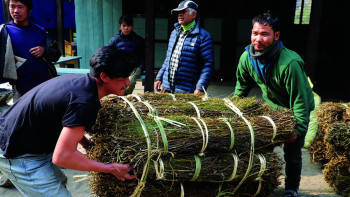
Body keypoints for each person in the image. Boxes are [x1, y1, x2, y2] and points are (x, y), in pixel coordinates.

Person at [0, 45, 136, 196]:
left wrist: (85, 143)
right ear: (104, 77)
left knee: (59, 182)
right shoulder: (84, 102)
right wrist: (109, 168)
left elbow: (67, 119)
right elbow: (62, 157)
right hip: (16, 149)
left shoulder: (82, 82)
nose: (127, 82)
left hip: (28, 138)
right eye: (123, 77)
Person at [233, 11, 314, 197]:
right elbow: (241, 89)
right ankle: (265, 184)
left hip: (295, 110)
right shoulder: (247, 58)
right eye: (255, 33)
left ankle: (291, 189)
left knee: (292, 154)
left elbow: (300, 100)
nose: (258, 39)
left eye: (264, 34)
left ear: (276, 35)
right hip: (272, 108)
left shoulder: (290, 63)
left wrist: (298, 128)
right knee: (263, 147)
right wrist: (234, 112)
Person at [0, 0, 61, 100]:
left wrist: (44, 51)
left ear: (29, 10)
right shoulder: (4, 32)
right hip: (21, 91)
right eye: (12, 7)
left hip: (46, 87)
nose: (15, 11)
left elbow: (57, 54)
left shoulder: (40, 31)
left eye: (20, 7)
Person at [155, 0, 214, 95]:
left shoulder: (203, 37)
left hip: (187, 92)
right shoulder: (174, 33)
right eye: (179, 12)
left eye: (183, 12)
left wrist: (200, 88)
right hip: (167, 89)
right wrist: (159, 77)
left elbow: (208, 65)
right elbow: (168, 59)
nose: (180, 14)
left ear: (193, 14)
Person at [109, 15, 145, 95]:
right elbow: (109, 55)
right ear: (120, 26)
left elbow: (143, 56)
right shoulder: (114, 40)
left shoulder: (138, 40)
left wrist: (140, 67)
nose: (126, 28)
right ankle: (120, 98)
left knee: (130, 83)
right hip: (119, 68)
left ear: (132, 26)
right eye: (124, 25)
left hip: (134, 68)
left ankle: (125, 98)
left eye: (128, 25)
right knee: (116, 84)